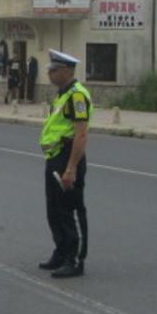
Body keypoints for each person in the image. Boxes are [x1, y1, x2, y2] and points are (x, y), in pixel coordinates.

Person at [38, 48, 93, 278]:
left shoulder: (77, 96)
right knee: (55, 209)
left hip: (68, 157)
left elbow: (80, 134)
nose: (50, 73)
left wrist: (71, 168)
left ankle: (75, 259)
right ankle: (61, 251)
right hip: (54, 158)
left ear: (68, 70)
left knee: (71, 208)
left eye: (55, 70)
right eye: (50, 69)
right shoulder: (62, 94)